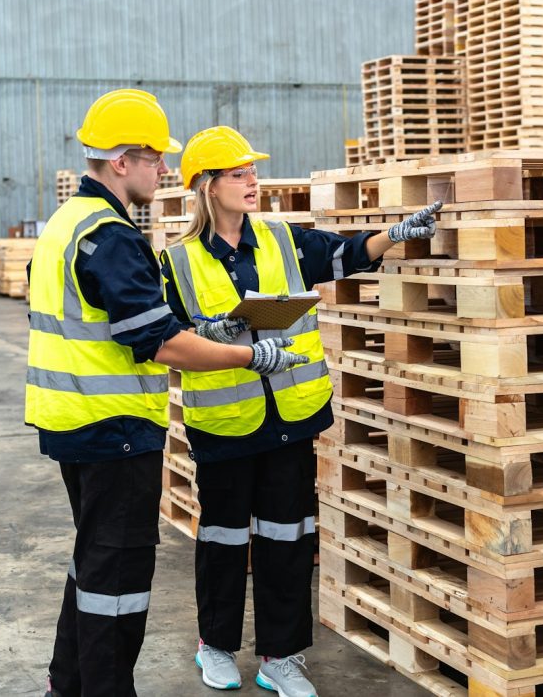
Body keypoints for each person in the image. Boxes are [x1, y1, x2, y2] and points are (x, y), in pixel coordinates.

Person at [26, 92, 308, 697]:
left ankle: (66, 685)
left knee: (91, 565)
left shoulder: (66, 223)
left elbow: (109, 319)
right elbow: (158, 342)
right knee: (117, 582)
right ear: (121, 161)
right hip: (114, 427)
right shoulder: (112, 236)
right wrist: (249, 355)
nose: (164, 170)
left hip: (70, 420)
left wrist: (205, 329)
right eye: (155, 158)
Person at [160, 126, 442, 697]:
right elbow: (166, 335)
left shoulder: (282, 240)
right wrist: (212, 333)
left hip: (290, 419)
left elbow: (343, 255)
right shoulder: (177, 261)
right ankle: (215, 645)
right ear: (207, 186)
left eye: (252, 172)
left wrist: (393, 235)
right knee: (222, 541)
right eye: (239, 174)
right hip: (226, 425)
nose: (253, 182)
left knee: (288, 540)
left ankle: (281, 657)